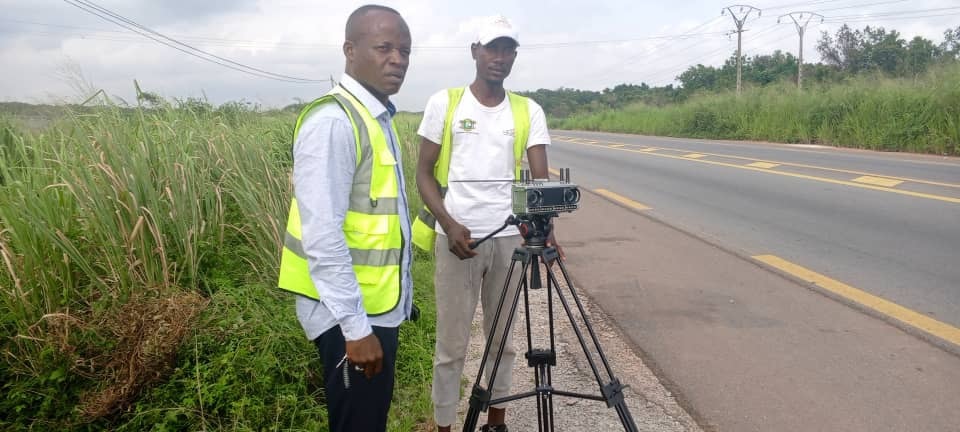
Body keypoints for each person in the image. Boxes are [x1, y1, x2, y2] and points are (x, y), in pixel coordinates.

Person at [412, 15, 558, 432]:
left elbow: (540, 183)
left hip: (510, 238)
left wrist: (547, 233)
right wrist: (448, 221)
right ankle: (444, 424)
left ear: (515, 55)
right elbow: (423, 172)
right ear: (474, 51)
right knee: (451, 345)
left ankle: (497, 421)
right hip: (456, 239)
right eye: (491, 48)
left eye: (507, 49)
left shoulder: (528, 110)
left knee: (502, 341)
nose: (499, 57)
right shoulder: (447, 102)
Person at [276, 5, 414, 432]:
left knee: (367, 420)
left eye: (405, 51)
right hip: (348, 315)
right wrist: (355, 329)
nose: (398, 59)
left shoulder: (377, 117)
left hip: (373, 307)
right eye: (384, 47)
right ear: (350, 51)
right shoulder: (334, 121)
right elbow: (322, 234)